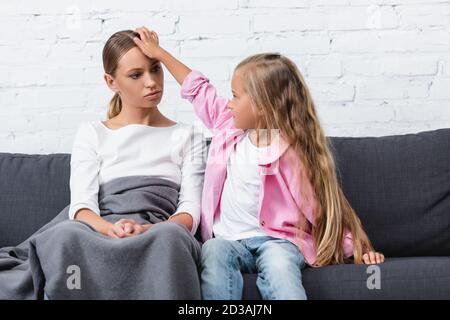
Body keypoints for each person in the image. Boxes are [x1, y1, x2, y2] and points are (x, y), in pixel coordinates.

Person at [132, 26, 384, 300]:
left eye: (236, 96)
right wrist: (159, 54)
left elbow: (321, 210)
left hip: (277, 242)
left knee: (280, 267)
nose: (228, 104)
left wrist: (356, 249)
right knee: (212, 253)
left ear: (263, 106)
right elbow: (198, 90)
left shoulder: (290, 153)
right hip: (227, 241)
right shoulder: (227, 127)